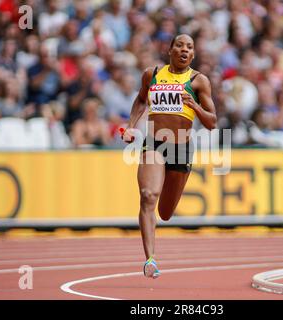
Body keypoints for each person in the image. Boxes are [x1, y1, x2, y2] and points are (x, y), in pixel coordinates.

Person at [121, 34, 217, 278]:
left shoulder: (198, 81)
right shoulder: (151, 74)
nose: (184, 50)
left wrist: (194, 106)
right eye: (180, 45)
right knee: (147, 195)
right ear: (170, 50)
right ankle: (150, 259)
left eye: (190, 47)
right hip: (154, 144)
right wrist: (131, 125)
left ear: (193, 55)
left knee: (165, 212)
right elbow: (141, 100)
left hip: (181, 149)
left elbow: (212, 122)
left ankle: (157, 228)